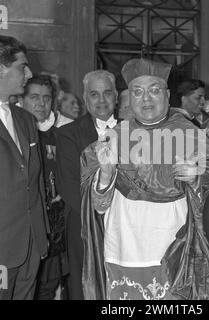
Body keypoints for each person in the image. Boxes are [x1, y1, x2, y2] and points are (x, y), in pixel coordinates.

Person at [80, 58, 209, 300]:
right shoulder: (112, 139)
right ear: (128, 97)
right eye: (138, 91)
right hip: (125, 249)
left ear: (167, 95)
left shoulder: (191, 136)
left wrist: (198, 179)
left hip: (177, 249)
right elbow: (96, 208)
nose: (146, 99)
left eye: (154, 90)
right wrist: (106, 173)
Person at [56, 70, 118, 300]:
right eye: (94, 94)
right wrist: (101, 213)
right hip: (84, 226)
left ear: (116, 97)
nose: (101, 100)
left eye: (107, 93)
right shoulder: (67, 134)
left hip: (125, 225)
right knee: (85, 288)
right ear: (85, 98)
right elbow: (69, 185)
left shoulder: (134, 132)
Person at [0, 36, 49, 299]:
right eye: (22, 67)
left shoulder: (26, 120)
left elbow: (35, 180)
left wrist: (41, 235)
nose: (29, 74)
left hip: (31, 245)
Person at [20, 74, 68, 300]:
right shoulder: (10, 133)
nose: (41, 103)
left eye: (46, 98)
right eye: (34, 97)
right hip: (19, 230)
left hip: (52, 230)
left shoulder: (62, 134)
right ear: (22, 99)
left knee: (47, 290)